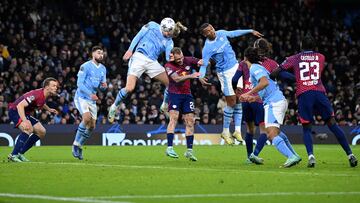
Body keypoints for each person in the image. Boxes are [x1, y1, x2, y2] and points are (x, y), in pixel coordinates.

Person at [277, 34, 358, 167]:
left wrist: (294, 78)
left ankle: (311, 157)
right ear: (314, 46)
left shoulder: (295, 58)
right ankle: (350, 154)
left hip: (304, 94)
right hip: (319, 93)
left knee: (307, 128)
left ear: (301, 46)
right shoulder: (321, 57)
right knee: (332, 124)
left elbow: (278, 71)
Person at [108, 18, 187, 123]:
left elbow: (168, 59)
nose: (168, 34)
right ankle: (113, 107)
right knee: (129, 88)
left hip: (152, 62)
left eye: (170, 32)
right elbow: (138, 36)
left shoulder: (169, 42)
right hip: (138, 57)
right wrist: (130, 50)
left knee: (172, 83)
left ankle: (164, 106)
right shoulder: (152, 25)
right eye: (167, 31)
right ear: (162, 27)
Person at [232, 38, 295, 164]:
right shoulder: (271, 64)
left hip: (246, 100)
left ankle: (249, 156)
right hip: (261, 100)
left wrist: (237, 91)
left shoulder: (244, 63)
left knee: (250, 130)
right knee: (266, 130)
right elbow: (283, 76)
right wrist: (297, 78)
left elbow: (234, 79)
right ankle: (255, 155)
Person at [198, 23, 263, 145]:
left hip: (236, 67)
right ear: (205, 34)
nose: (212, 31)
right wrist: (201, 76)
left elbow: (234, 32)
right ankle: (225, 131)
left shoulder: (221, 33)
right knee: (231, 101)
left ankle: (237, 130)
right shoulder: (207, 48)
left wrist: (250, 30)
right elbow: (204, 64)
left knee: (240, 98)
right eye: (208, 31)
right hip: (225, 73)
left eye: (212, 28)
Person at [8, 77, 59, 162]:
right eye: (53, 86)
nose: (56, 88)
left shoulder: (43, 95)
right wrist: (24, 121)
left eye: (56, 86)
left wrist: (49, 109)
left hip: (24, 113)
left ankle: (20, 153)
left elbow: (41, 103)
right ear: (46, 87)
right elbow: (20, 105)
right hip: (15, 111)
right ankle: (13, 155)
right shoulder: (36, 95)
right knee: (28, 128)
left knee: (42, 131)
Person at [164, 47, 201, 161]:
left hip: (187, 95)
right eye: (177, 59)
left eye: (181, 58)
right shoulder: (168, 66)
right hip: (174, 95)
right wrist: (191, 76)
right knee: (173, 119)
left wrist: (206, 61)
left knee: (190, 121)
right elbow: (176, 79)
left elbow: (201, 62)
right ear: (173, 57)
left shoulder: (188, 60)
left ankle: (189, 151)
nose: (180, 60)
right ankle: (169, 148)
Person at [72, 46, 107, 160]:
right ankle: (75, 145)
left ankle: (80, 145)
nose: (101, 55)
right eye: (98, 53)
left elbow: (102, 85)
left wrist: (103, 87)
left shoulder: (103, 69)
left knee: (92, 126)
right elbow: (79, 84)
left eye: (102, 53)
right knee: (86, 118)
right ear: (93, 54)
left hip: (92, 100)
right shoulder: (85, 66)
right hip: (81, 97)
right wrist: (90, 94)